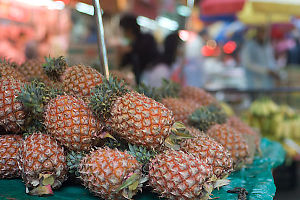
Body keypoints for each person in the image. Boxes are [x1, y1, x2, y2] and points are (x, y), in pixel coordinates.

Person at [118, 14, 159, 84]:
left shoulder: (147, 38)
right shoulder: (131, 44)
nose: (122, 33)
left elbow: (147, 53)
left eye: (123, 30)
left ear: (129, 29)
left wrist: (130, 49)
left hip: (151, 79)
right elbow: (123, 64)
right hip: (139, 81)